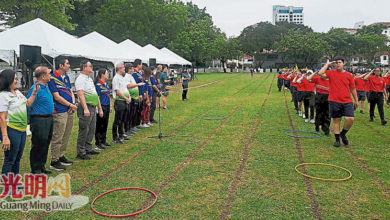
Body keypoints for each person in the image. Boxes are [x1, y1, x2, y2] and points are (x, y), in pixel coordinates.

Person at [0, 69, 38, 175]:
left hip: (22, 130)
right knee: (10, 159)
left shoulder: (17, 92)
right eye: (15, 79)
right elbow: (2, 118)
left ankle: (15, 183)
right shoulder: (3, 96)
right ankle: (8, 186)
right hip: (12, 129)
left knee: (17, 158)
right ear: (8, 80)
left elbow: (28, 104)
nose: (17, 81)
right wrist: (5, 137)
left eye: (17, 78)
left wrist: (34, 93)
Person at [318, 57, 358, 147]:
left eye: (339, 62)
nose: (338, 64)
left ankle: (343, 134)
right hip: (334, 100)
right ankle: (337, 139)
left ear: (343, 64)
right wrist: (328, 65)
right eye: (336, 63)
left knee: (350, 119)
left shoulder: (349, 75)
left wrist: (356, 100)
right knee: (336, 120)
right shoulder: (331, 73)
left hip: (347, 100)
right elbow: (320, 73)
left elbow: (353, 88)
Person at [47, 58, 76, 171]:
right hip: (59, 111)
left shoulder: (66, 77)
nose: (69, 65)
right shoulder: (52, 78)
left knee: (66, 134)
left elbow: (70, 91)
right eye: (67, 64)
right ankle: (54, 160)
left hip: (69, 109)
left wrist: (72, 104)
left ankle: (61, 155)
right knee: (58, 135)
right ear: (61, 65)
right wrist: (70, 105)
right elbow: (56, 96)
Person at [27, 66, 54, 174]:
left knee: (45, 143)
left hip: (48, 118)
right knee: (38, 143)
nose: (50, 76)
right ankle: (35, 167)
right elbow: (28, 104)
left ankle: (42, 165)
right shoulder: (34, 89)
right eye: (48, 74)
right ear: (43, 76)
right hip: (39, 119)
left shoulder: (46, 87)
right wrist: (30, 121)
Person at [75, 60, 103, 160]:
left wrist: (97, 106)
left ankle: (88, 148)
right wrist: (85, 108)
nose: (91, 67)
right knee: (84, 129)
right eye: (89, 66)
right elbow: (80, 94)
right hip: (85, 106)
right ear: (84, 68)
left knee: (91, 128)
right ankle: (81, 151)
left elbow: (94, 93)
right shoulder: (80, 79)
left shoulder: (89, 79)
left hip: (92, 106)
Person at [112, 62, 131, 144]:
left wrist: (129, 96)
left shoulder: (122, 78)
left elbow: (125, 88)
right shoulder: (116, 78)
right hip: (120, 101)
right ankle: (115, 137)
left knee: (123, 119)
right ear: (119, 69)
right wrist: (125, 98)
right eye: (123, 68)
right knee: (117, 120)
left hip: (125, 101)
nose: (124, 69)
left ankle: (121, 134)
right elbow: (117, 90)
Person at [308, 70, 330, 136]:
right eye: (320, 74)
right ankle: (317, 125)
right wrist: (315, 73)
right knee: (318, 112)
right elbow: (308, 79)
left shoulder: (330, 80)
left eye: (323, 74)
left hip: (328, 98)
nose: (321, 75)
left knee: (327, 114)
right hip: (319, 97)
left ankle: (326, 130)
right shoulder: (317, 78)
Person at [124, 63, 144, 135]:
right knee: (129, 114)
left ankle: (131, 127)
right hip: (130, 97)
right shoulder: (126, 76)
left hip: (134, 97)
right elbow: (128, 86)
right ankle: (127, 129)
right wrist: (138, 84)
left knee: (133, 113)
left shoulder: (130, 76)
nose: (133, 69)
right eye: (131, 68)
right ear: (129, 69)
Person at [95, 68, 112, 150]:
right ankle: (98, 142)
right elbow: (97, 97)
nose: (108, 75)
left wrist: (110, 106)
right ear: (102, 75)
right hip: (101, 106)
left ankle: (104, 140)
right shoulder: (98, 85)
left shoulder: (106, 84)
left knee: (105, 124)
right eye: (107, 73)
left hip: (107, 105)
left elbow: (109, 96)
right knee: (99, 125)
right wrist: (100, 109)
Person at [132, 59, 147, 127]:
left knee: (140, 109)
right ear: (138, 65)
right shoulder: (134, 74)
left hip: (141, 93)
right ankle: (135, 124)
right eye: (141, 64)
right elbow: (135, 85)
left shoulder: (139, 73)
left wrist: (143, 92)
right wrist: (139, 94)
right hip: (137, 95)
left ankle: (138, 123)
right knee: (136, 110)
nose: (142, 65)